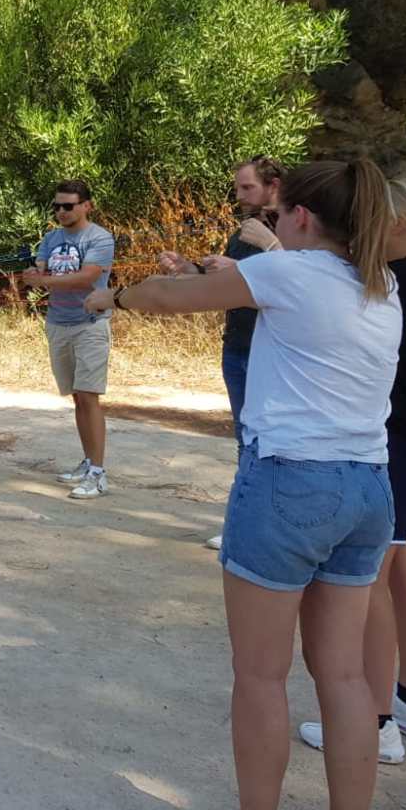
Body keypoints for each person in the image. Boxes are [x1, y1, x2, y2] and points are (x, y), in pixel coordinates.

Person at [87, 159, 399, 810]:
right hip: (367, 489)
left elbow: (169, 297)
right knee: (346, 676)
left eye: (282, 210)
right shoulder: (380, 289)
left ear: (299, 219)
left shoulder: (288, 275)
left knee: (261, 673)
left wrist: (117, 296)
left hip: (290, 482)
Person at [296, 175, 406, 764]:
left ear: (395, 222)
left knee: (372, 581)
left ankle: (377, 721)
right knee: (405, 571)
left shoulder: (399, 281)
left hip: (396, 441)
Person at [158, 156, 284, 547]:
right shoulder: (245, 229)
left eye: (247, 187)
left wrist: (269, 247)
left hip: (275, 352)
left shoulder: (298, 229)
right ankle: (244, 521)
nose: (240, 195)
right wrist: (191, 269)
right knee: (246, 438)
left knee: (274, 440)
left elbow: (304, 283)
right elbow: (227, 284)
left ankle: (270, 525)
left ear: (274, 186)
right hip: (239, 346)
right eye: (238, 187)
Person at [21, 180, 115, 498]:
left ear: (86, 205)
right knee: (77, 396)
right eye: (57, 206)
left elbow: (88, 277)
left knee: (89, 395)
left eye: (68, 206)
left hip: (90, 324)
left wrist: (45, 279)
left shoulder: (99, 237)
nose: (61, 212)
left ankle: (99, 474)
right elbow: (38, 272)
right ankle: (88, 461)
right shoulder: (50, 239)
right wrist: (34, 277)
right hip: (58, 323)